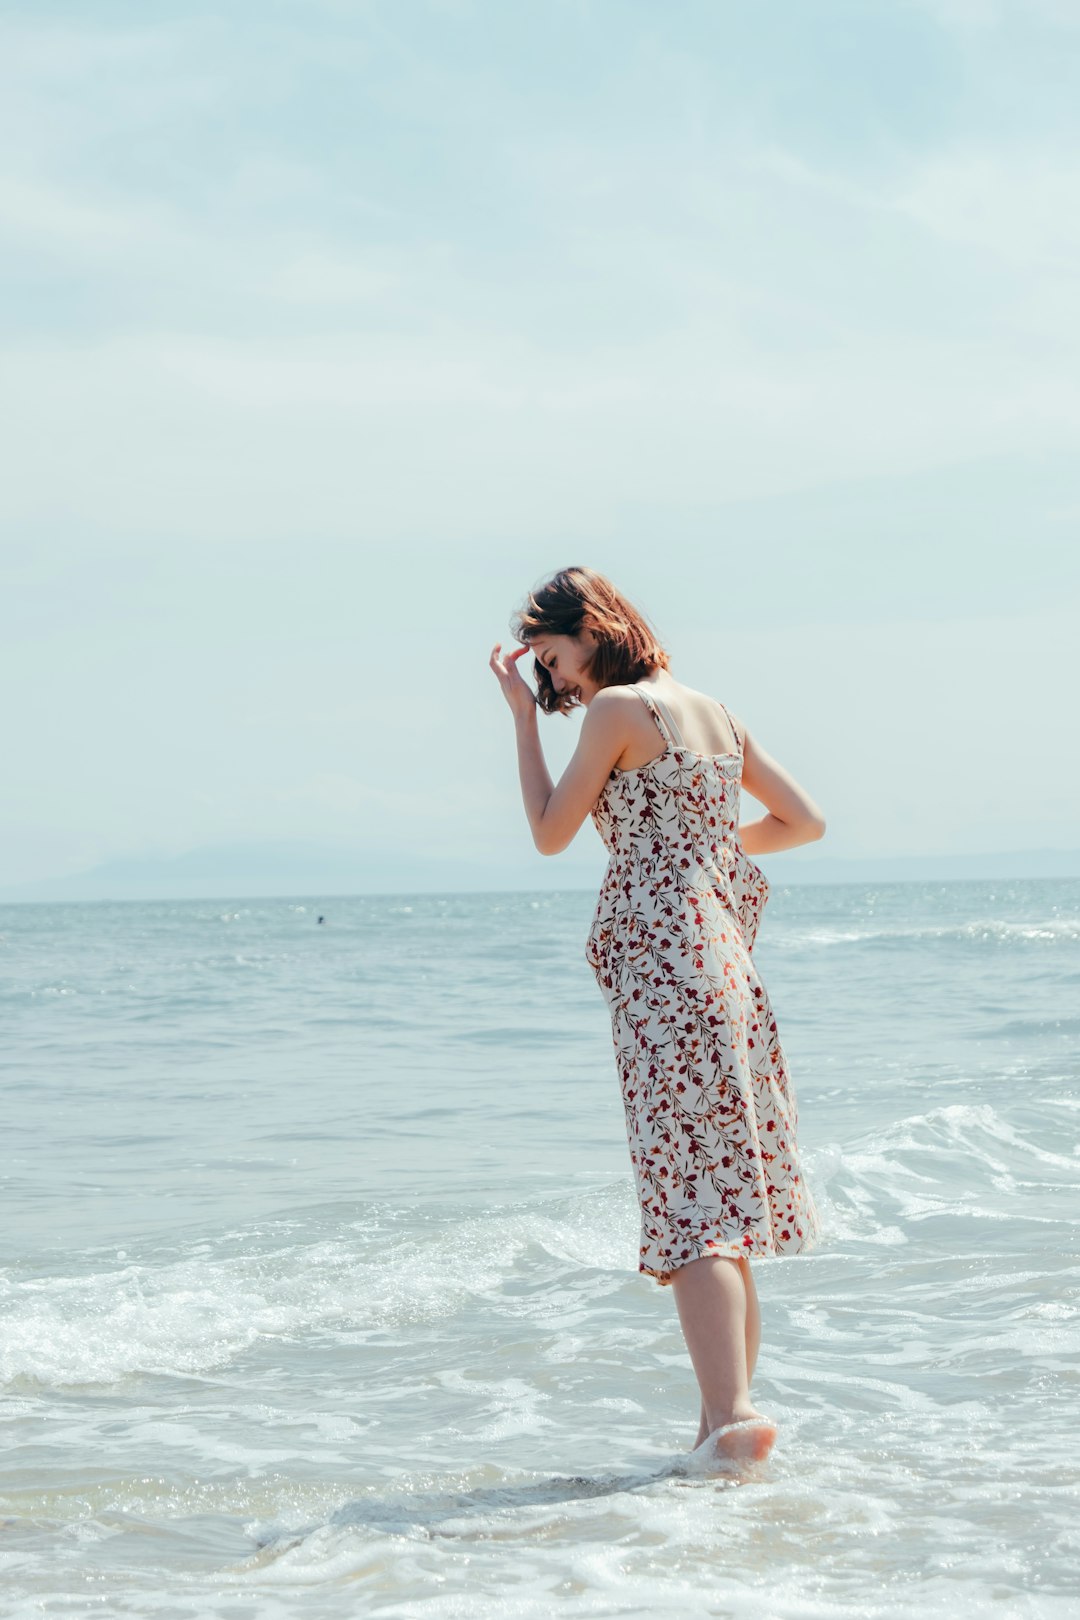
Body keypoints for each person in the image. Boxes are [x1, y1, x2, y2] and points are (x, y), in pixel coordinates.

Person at [489, 566, 826, 1470]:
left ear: (591, 630)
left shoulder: (616, 712)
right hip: (727, 964)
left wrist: (521, 725)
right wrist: (700, 849)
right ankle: (725, 1418)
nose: (551, 684)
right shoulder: (711, 709)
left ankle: (730, 1419)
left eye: (552, 660)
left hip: (665, 973)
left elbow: (550, 832)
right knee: (725, 1202)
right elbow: (803, 822)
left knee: (691, 1210)